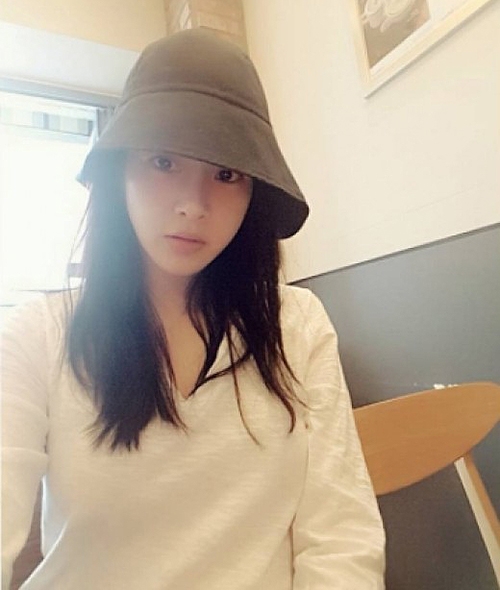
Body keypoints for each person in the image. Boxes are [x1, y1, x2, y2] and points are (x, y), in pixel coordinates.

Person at [1, 28, 385, 589]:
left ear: (253, 189)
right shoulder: (36, 336)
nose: (193, 205)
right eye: (163, 162)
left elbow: (342, 538)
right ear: (121, 170)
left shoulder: (298, 325)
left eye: (226, 174)